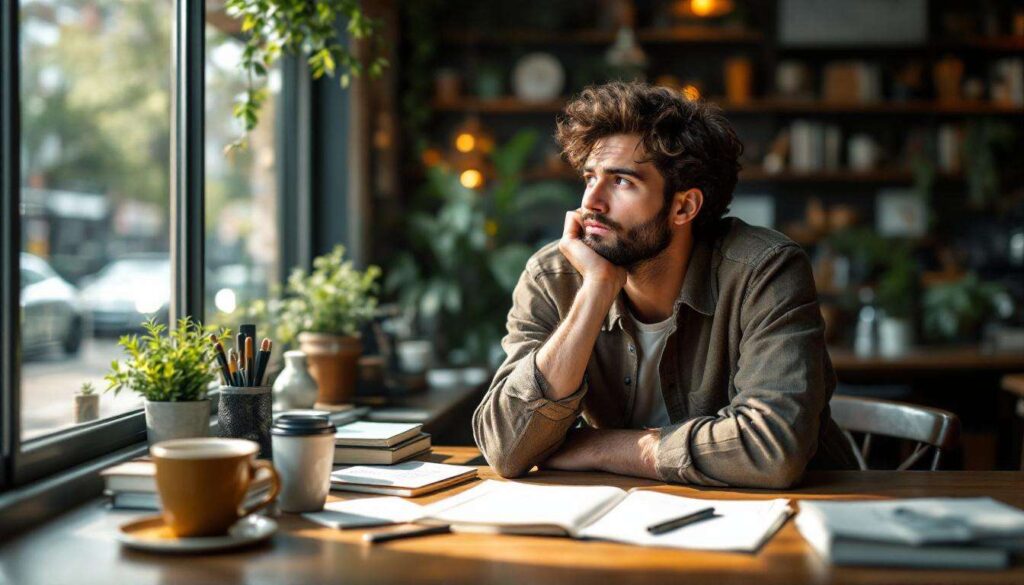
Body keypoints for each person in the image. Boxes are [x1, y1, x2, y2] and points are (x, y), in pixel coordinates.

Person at [472, 81, 857, 488]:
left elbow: (772, 448)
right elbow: (507, 448)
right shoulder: (554, 276)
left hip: (796, 517)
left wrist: (601, 448)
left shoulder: (764, 270)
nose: (591, 203)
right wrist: (596, 290)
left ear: (683, 206)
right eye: (590, 178)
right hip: (624, 523)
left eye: (621, 181)